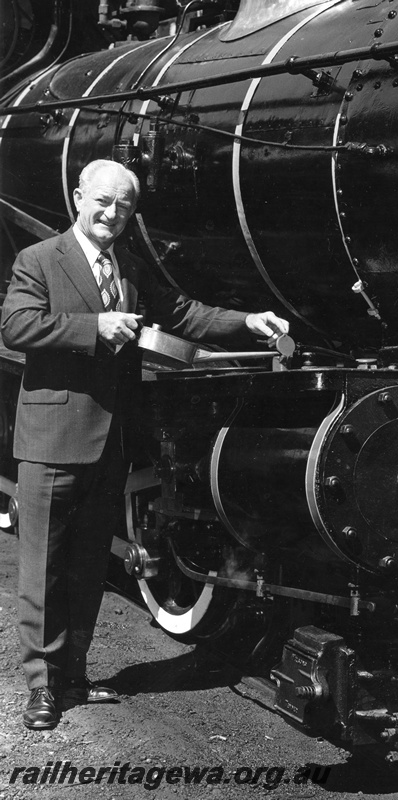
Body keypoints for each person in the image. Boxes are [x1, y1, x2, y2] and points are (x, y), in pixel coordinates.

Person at [0, 159, 289, 730]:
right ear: (79, 197)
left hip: (109, 443)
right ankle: (40, 686)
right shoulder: (38, 260)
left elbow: (186, 314)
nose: (111, 214)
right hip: (53, 440)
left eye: (124, 207)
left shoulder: (128, 267)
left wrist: (249, 319)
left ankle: (74, 677)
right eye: (103, 201)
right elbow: (15, 326)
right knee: (42, 570)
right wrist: (93, 328)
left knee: (86, 568)